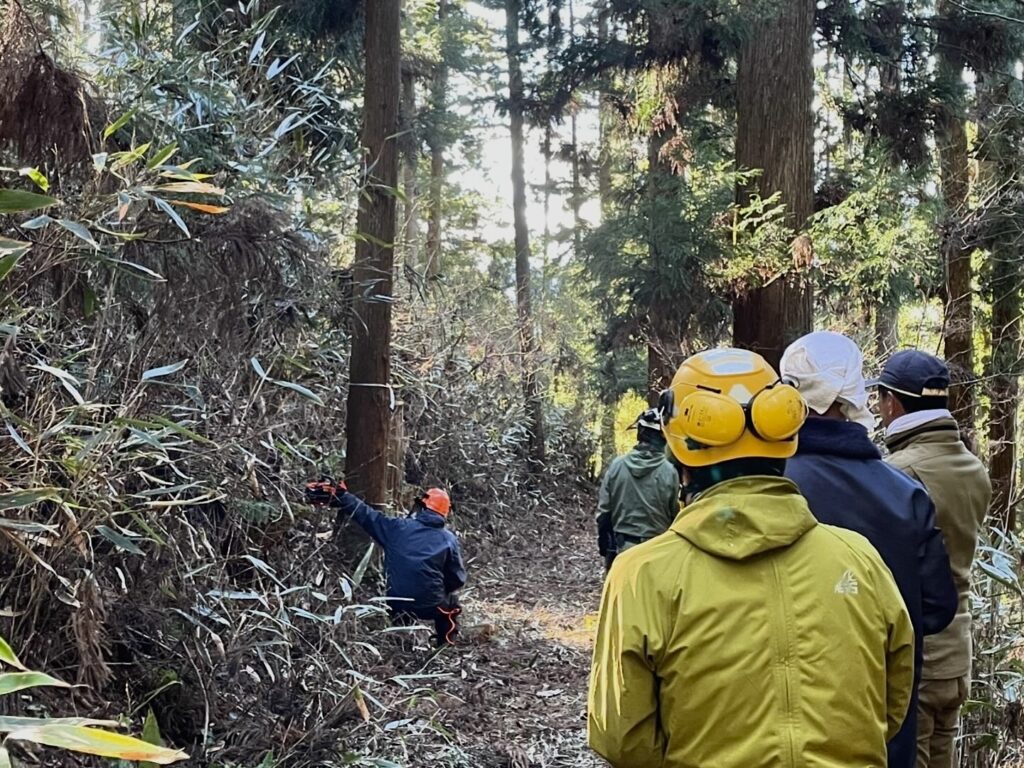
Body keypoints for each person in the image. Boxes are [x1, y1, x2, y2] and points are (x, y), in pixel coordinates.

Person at [588, 348, 915, 768]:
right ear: (785, 438)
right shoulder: (859, 559)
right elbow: (891, 705)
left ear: (680, 449)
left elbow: (622, 739)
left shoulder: (640, 576)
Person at [781, 331, 957, 768]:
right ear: (854, 394)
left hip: (783, 729)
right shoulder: (905, 494)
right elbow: (937, 606)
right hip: (881, 727)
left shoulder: (768, 485)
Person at [870, 350, 992, 768]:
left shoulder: (897, 474)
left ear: (892, 403)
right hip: (958, 651)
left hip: (918, 655)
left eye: (880, 398)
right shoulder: (973, 468)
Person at [305, 480, 466, 646]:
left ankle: (399, 640)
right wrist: (439, 588)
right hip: (429, 604)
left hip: (395, 602)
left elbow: (367, 515)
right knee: (451, 604)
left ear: (422, 508)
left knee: (401, 597)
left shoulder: (397, 528)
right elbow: (458, 578)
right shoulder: (449, 540)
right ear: (444, 514)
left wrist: (343, 496)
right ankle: (445, 644)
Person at [595, 408, 679, 570]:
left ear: (640, 433)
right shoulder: (670, 472)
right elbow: (674, 516)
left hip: (622, 552)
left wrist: (604, 544)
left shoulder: (617, 466)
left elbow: (604, 513)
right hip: (657, 554)